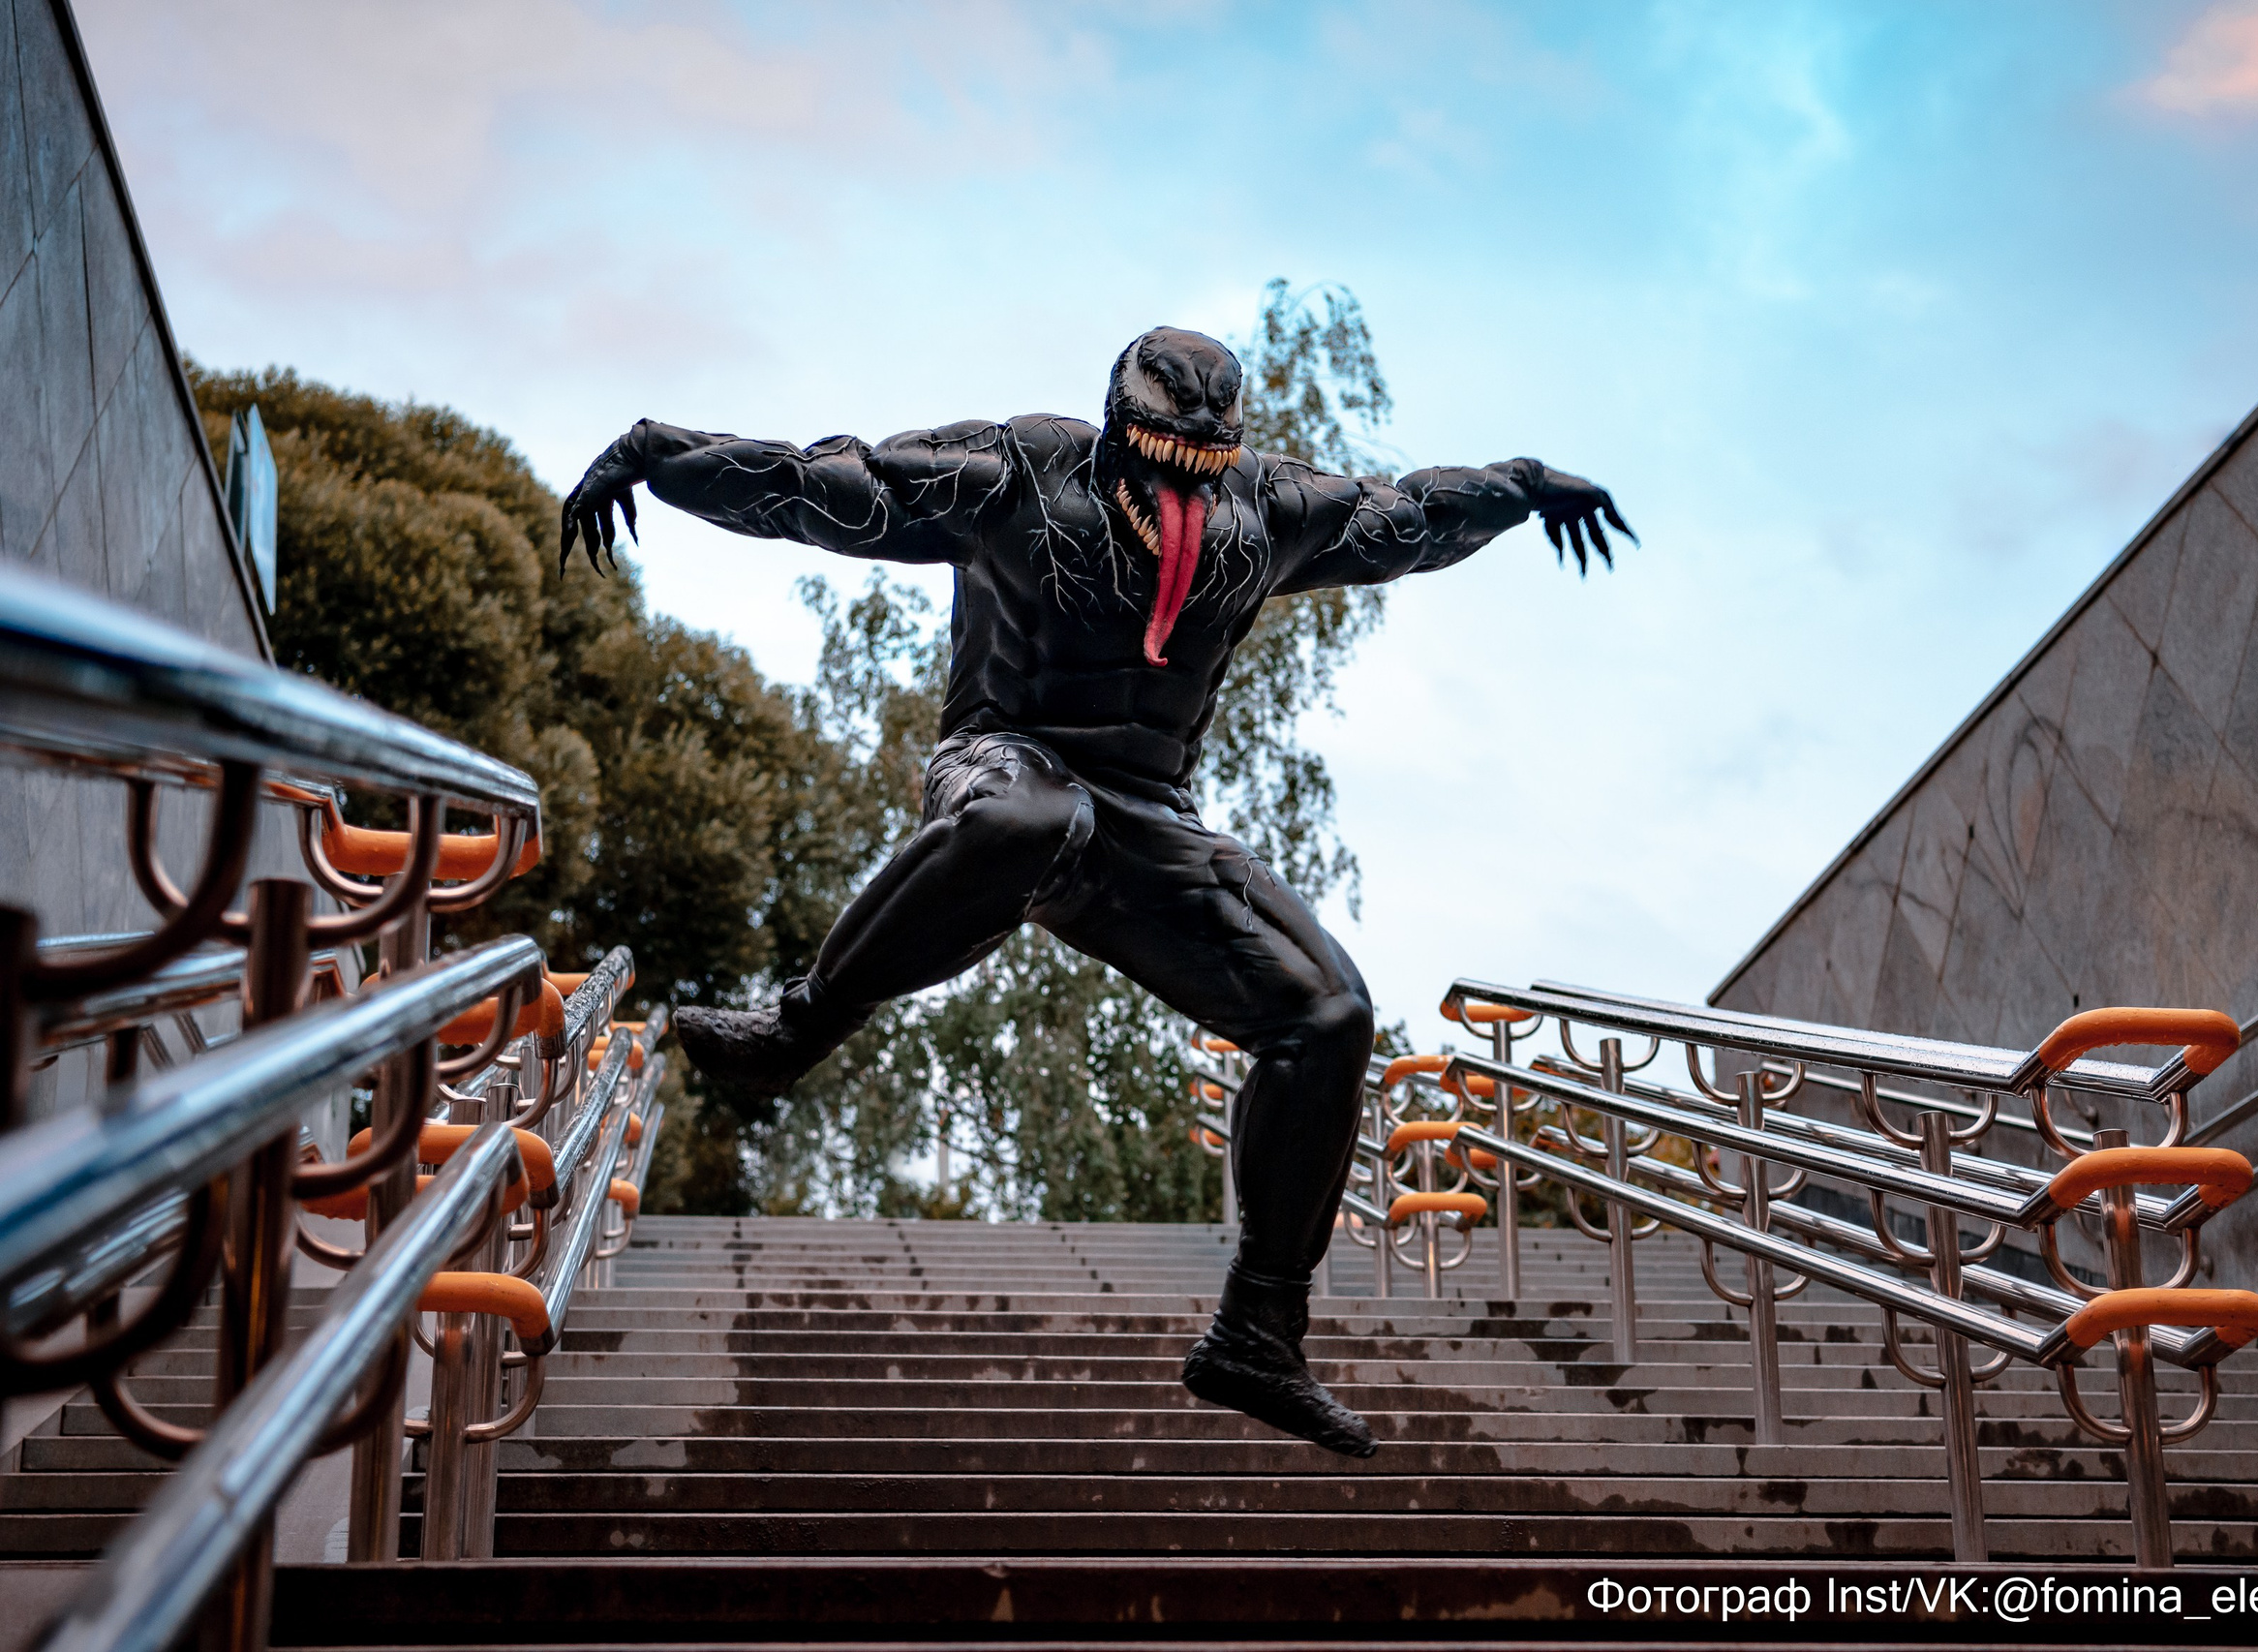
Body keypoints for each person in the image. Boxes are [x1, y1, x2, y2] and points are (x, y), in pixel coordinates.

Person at [560, 326, 1631, 1455]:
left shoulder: (1267, 511)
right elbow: (827, 483)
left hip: (1148, 820)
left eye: (1204, 465)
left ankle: (1260, 1330)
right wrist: (654, 452)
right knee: (1031, 814)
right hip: (1004, 761)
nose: (1180, 488)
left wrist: (1517, 485)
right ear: (1122, 427)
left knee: (1328, 1012)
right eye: (1161, 458)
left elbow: (1409, 518)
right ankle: (801, 1020)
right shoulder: (1019, 473)